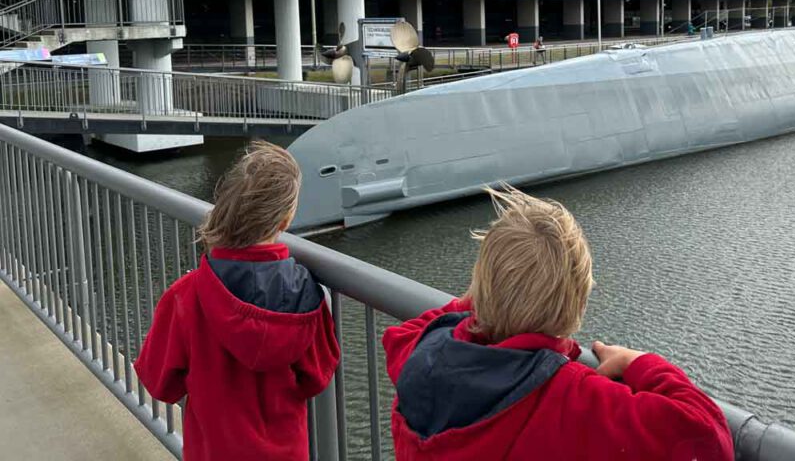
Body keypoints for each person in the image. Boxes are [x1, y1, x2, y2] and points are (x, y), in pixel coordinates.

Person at [382, 186, 733, 461]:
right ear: (577, 300)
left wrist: (488, 299)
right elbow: (707, 438)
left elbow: (403, 334)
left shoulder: (425, 357)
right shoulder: (573, 398)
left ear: (482, 285)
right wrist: (639, 363)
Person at [134, 142, 340, 461]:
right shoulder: (308, 296)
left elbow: (161, 384)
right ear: (284, 220)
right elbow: (317, 377)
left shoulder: (184, 296)